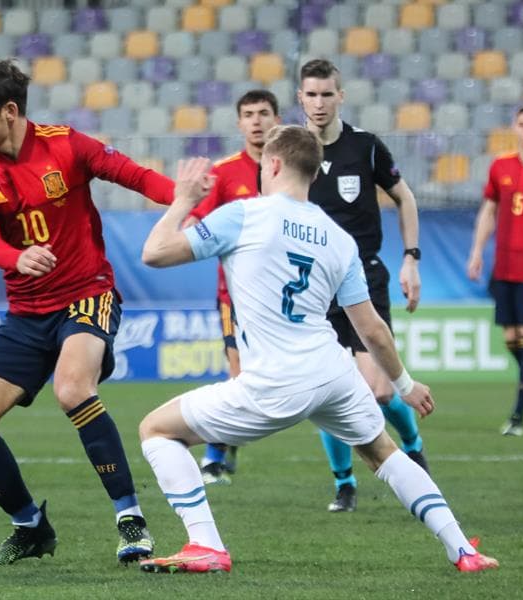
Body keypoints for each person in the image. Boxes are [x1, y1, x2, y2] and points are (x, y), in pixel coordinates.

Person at [135, 125, 499, 574]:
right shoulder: (339, 239)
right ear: (313, 173)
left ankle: (206, 544)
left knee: (156, 429)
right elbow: (373, 329)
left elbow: (153, 253)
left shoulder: (243, 215)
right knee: (384, 452)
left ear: (271, 164)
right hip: (332, 371)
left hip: (275, 381)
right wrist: (404, 384)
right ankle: (463, 548)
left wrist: (185, 201)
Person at [0, 59, 173, 565]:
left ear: (9, 111)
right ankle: (29, 528)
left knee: (72, 387)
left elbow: (135, 176)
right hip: (26, 313)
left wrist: (190, 200)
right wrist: (16, 257)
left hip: (85, 294)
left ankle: (130, 519)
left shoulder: (66, 145)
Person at [298, 58, 428, 513]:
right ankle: (345, 482)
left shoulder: (366, 148)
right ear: (300, 98)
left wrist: (411, 258)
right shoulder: (292, 154)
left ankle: (412, 445)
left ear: (341, 96)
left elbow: (404, 197)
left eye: (326, 94)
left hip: (364, 275)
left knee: (379, 392)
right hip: (314, 284)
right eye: (311, 94)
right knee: (327, 389)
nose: (319, 103)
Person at [184, 90, 281, 485]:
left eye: (263, 113)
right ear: (239, 123)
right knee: (239, 375)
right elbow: (196, 222)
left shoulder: (290, 169)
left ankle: (345, 475)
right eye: (248, 115)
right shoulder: (225, 174)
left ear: (277, 118)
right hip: (235, 296)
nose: (256, 121)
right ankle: (214, 455)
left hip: (284, 295)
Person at [467, 104, 523, 436]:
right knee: (512, 340)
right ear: (514, 128)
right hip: (505, 265)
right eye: (522, 124)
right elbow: (489, 209)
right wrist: (476, 251)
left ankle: (517, 417)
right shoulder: (500, 165)